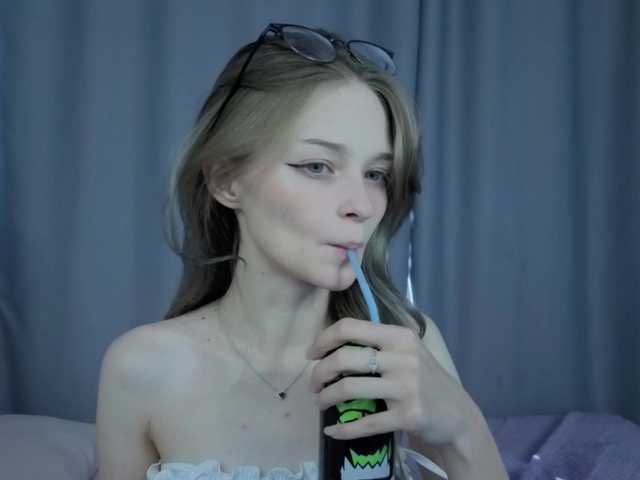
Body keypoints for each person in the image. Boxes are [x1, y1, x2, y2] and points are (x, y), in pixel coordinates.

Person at [95, 23, 508, 480]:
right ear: (226, 181)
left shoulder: (407, 346)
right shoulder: (141, 368)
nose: (361, 205)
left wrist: (462, 427)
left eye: (376, 174)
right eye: (317, 166)